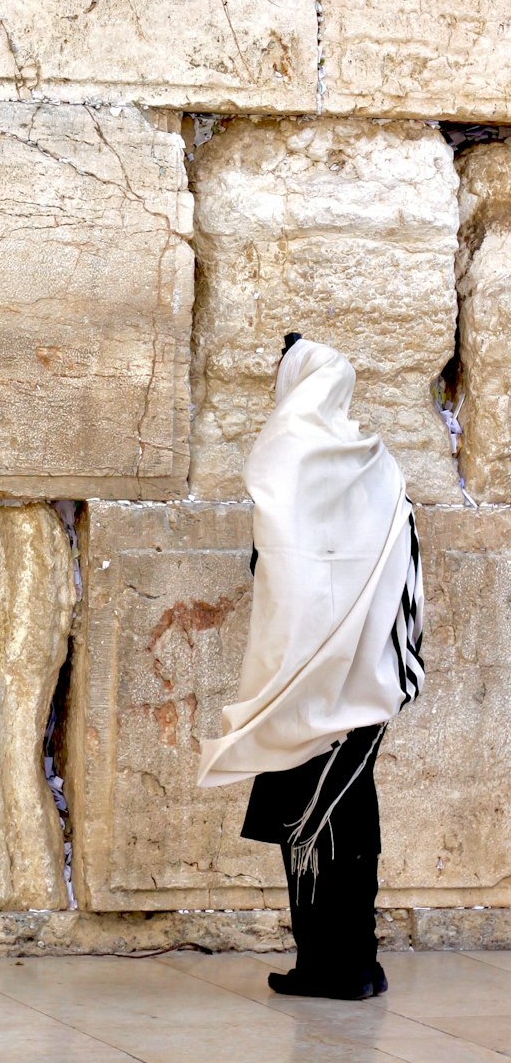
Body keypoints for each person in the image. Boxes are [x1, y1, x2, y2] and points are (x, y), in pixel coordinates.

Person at [197, 334, 424, 1002]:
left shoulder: (288, 452)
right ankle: (356, 960)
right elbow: (405, 568)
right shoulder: (377, 466)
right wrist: (395, 662)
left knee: (310, 820)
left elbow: (283, 571)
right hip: (367, 677)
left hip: (301, 680)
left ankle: (332, 967)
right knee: (350, 811)